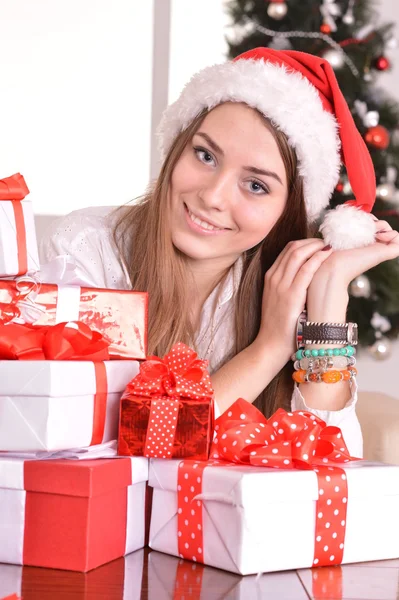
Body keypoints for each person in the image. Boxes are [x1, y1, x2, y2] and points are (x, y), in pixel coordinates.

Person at [39, 48, 399, 458]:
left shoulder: (283, 285)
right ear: (176, 146)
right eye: (205, 156)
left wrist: (330, 289)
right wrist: (268, 349)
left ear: (288, 210)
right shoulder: (88, 248)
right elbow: (119, 447)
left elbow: (327, 466)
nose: (212, 196)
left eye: (256, 185)